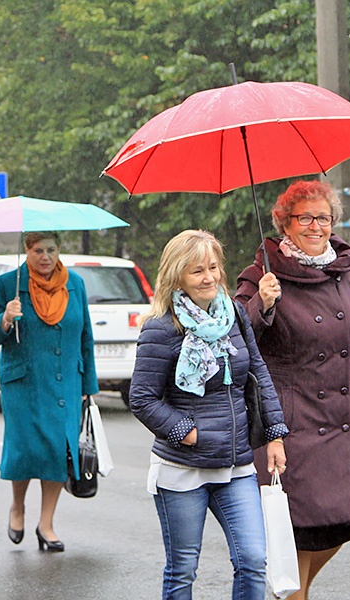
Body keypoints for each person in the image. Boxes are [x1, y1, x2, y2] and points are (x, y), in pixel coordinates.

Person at [235, 180, 350, 600]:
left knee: (344, 523)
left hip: (343, 419)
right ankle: (294, 596)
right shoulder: (262, 273)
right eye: (304, 217)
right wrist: (261, 304)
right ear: (285, 223)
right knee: (299, 529)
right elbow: (235, 339)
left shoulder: (344, 269)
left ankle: (294, 593)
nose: (316, 226)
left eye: (323, 217)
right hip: (293, 422)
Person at [130, 230, 287, 600]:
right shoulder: (161, 327)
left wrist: (275, 434)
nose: (209, 277)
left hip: (236, 465)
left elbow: (257, 372)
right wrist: (187, 432)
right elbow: (142, 398)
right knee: (183, 569)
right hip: (183, 469)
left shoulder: (232, 313)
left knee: (252, 559)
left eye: (214, 267)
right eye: (197, 271)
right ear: (176, 276)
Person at [0, 231, 97, 553]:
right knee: (27, 451)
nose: (45, 257)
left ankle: (46, 523)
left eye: (52, 250)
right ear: (27, 251)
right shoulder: (8, 284)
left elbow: (85, 336)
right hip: (24, 384)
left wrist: (89, 388)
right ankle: (18, 506)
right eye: (38, 250)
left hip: (65, 384)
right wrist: (3, 318)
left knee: (59, 450)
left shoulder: (76, 284)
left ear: (60, 251)